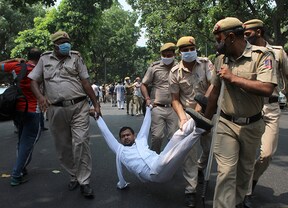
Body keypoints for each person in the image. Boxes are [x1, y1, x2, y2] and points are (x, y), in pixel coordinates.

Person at [190, 17, 277, 208]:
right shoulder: (220, 59)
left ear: (230, 37)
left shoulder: (262, 56)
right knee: (226, 172)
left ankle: (235, 203)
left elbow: (267, 88)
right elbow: (214, 92)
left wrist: (234, 78)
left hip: (252, 125)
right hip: (225, 123)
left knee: (244, 173)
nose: (216, 43)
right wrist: (206, 120)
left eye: (218, 38)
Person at [242, 19, 288, 208]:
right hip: (249, 106)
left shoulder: (278, 52)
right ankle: (245, 193)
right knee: (246, 154)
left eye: (248, 34)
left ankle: (252, 182)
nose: (245, 37)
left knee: (267, 154)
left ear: (260, 32)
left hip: (270, 108)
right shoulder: (243, 52)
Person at [28, 31, 101, 199]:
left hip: (79, 106)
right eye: (62, 42)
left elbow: (85, 82)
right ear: (54, 44)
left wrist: (96, 104)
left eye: (67, 41)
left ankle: (84, 181)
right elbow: (33, 81)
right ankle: (74, 174)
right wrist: (40, 97)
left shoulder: (76, 57)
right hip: (55, 109)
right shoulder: (44, 59)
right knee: (63, 147)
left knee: (81, 142)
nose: (66, 44)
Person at [93, 106, 211, 189]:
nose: (126, 137)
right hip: (154, 174)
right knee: (176, 151)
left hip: (159, 160)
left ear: (134, 135)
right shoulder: (120, 150)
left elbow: (145, 124)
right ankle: (199, 129)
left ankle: (198, 119)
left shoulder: (140, 140)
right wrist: (97, 118)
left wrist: (149, 109)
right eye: (123, 136)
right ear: (120, 140)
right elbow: (106, 134)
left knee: (177, 136)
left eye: (128, 135)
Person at [169, 36, 213, 208]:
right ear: (180, 53)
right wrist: (182, 118)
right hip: (187, 115)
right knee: (189, 154)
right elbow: (175, 99)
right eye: (185, 50)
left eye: (191, 49)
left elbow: (213, 84)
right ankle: (190, 190)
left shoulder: (205, 63)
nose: (189, 52)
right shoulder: (174, 72)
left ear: (196, 49)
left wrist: (202, 105)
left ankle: (201, 168)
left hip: (208, 111)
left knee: (210, 148)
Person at [0, 48, 42, 186]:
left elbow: (1, 64)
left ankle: (21, 168)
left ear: (27, 56)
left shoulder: (17, 66)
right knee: (28, 142)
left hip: (17, 110)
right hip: (32, 109)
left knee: (21, 139)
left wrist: (14, 60)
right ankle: (17, 174)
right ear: (40, 57)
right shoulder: (40, 69)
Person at [141, 42, 179, 154]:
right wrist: (147, 99)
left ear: (174, 55)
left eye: (170, 55)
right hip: (157, 107)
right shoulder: (154, 68)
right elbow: (144, 84)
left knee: (174, 137)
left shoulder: (179, 67)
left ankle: (169, 162)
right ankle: (154, 159)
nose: (167, 57)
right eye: (165, 55)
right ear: (161, 55)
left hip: (174, 108)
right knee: (157, 136)